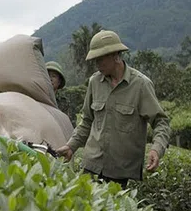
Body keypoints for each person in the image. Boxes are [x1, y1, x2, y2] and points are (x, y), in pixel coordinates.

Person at [56, 30, 170, 189]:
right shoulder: (94, 82)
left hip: (120, 172)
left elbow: (161, 122)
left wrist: (156, 149)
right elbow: (87, 120)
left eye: (100, 59)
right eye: (95, 60)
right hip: (92, 164)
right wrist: (71, 146)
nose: (97, 64)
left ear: (115, 55)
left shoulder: (140, 85)